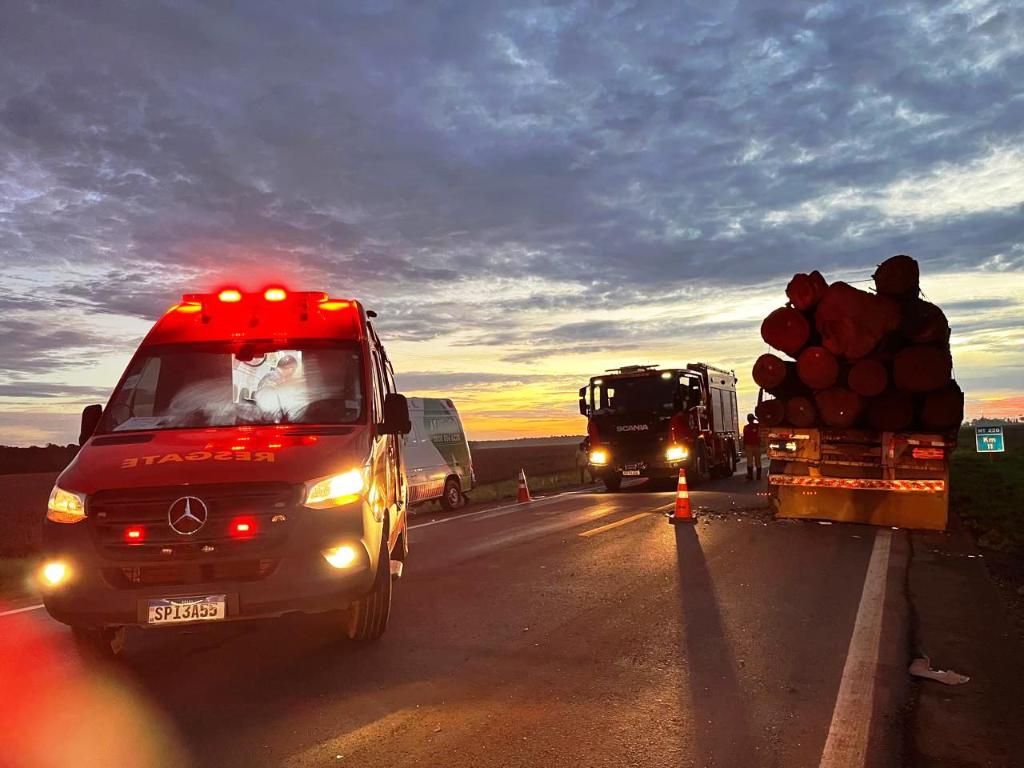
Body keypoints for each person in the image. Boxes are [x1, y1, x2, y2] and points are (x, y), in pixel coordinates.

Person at [742, 413, 762, 481]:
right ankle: (754, 476)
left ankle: (753, 476)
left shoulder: (756, 426)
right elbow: (745, 438)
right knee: (755, 461)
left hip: (753, 446)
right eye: (750, 419)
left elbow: (762, 423)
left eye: (751, 419)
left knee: (753, 461)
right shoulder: (750, 427)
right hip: (752, 446)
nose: (750, 420)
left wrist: (744, 446)